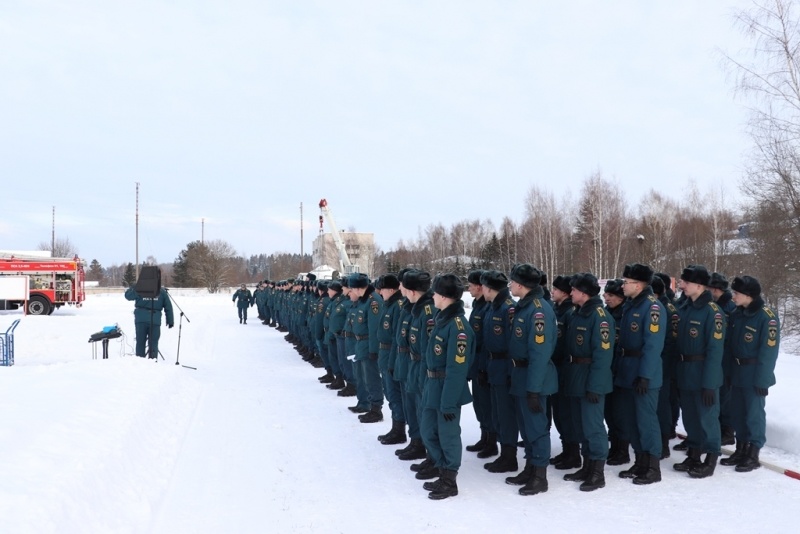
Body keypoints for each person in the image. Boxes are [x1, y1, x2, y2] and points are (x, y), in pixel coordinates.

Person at [502, 264, 558, 496]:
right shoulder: (523, 307)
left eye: (513, 281)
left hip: (535, 378)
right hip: (521, 375)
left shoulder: (537, 311)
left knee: (536, 428)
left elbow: (540, 353)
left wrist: (534, 389)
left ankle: (540, 476)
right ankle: (530, 467)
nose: (510, 285)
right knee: (526, 428)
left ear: (521, 285)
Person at [419, 273, 474, 500]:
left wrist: (449, 402)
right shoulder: (443, 319)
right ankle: (441, 469)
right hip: (433, 384)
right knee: (428, 430)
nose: (432, 296)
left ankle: (449, 479)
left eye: (435, 292)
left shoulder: (458, 327)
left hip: (447, 388)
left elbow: (457, 369)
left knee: (448, 434)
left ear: (444, 296)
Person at [721, 275, 779, 472]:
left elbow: (768, 352)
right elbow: (729, 346)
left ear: (748, 295)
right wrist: (727, 372)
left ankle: (753, 452)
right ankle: (741, 448)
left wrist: (763, 380)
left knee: (754, 414)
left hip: (754, 374)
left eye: (736, 293)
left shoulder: (766, 316)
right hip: (737, 372)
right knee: (737, 413)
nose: (733, 296)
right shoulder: (737, 314)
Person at [561, 273, 614, 491]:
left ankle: (597, 472)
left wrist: (596, 385)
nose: (570, 293)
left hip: (591, 379)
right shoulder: (577, 314)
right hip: (576, 376)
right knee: (581, 426)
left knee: (593, 427)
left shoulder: (599, 317)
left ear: (583, 293)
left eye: (573, 290)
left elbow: (603, 356)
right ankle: (586, 465)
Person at [616, 263, 666, 485]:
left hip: (644, 373)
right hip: (627, 370)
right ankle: (640, 460)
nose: (623, 285)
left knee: (646, 420)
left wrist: (645, 375)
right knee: (632, 420)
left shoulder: (652, 308)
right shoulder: (631, 305)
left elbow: (652, 346)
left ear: (638, 284)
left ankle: (653, 466)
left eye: (626, 282)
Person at [673, 265, 725, 479]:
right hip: (686, 371)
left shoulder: (713, 313)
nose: (682, 285)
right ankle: (694, 453)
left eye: (686, 282)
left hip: (704, 372)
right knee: (691, 416)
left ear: (699, 285)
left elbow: (715, 351)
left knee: (707, 418)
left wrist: (710, 383)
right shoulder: (685, 308)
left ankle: (711, 458)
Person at [481, 270, 520, 473]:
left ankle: (509, 456)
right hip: (493, 366)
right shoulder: (491, 307)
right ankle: (503, 452)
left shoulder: (508, 308)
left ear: (489, 288)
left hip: (504, 366)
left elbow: (513, 342)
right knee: (497, 412)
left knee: (506, 414)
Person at [124, 284, 174, 359]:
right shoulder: (161, 291)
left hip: (140, 319)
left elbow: (128, 296)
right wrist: (170, 321)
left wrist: (135, 286)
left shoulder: (140, 288)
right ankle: (153, 360)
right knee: (153, 343)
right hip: (155, 320)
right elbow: (168, 307)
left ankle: (139, 360)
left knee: (140, 342)